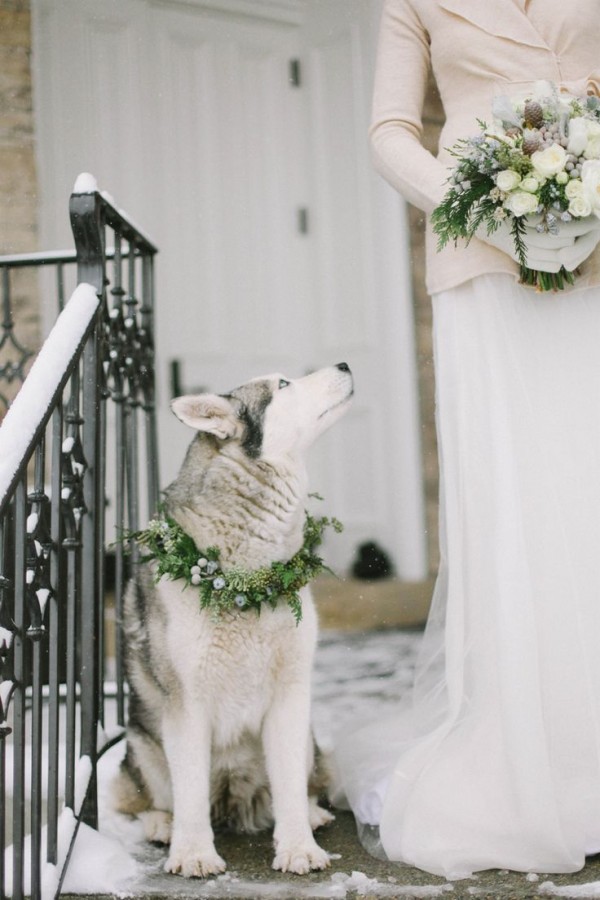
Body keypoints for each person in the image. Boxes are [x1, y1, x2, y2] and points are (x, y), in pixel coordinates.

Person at [331, 0, 600, 880]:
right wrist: (482, 206)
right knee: (516, 498)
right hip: (481, 263)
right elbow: (390, 132)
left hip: (597, 248)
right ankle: (534, 754)